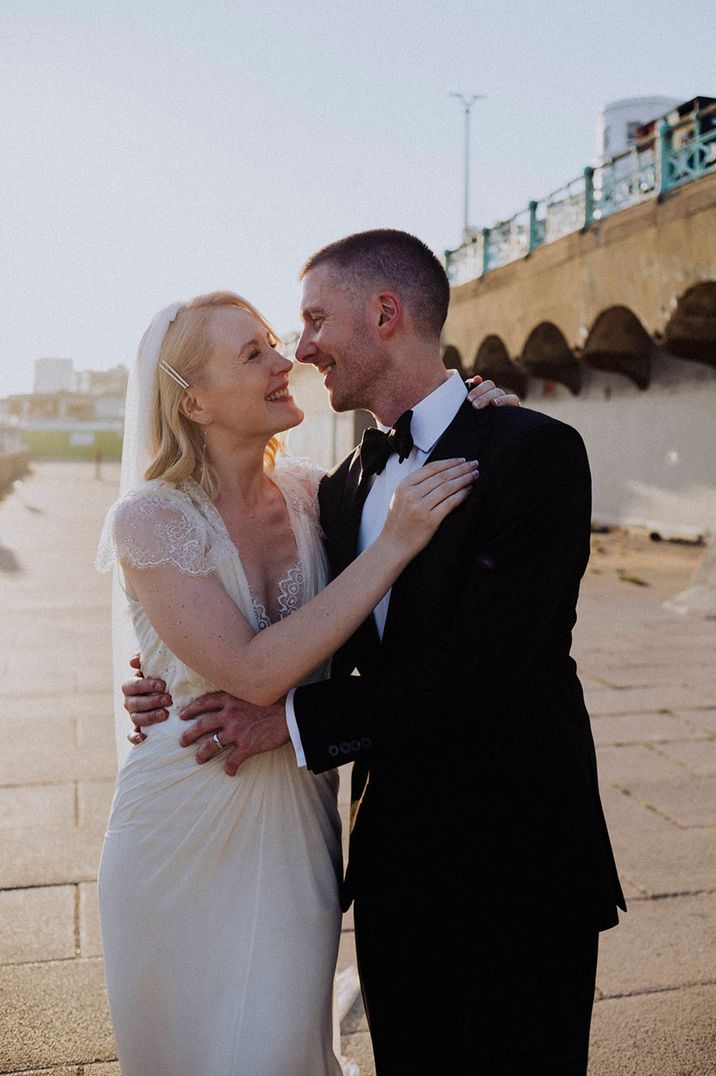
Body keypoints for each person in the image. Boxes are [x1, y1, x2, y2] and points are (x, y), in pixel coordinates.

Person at [126, 230, 626, 1074]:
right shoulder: (341, 488)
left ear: (385, 313)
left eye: (315, 320)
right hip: (391, 878)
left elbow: (485, 667)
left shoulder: (534, 452)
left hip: (522, 865)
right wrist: (164, 673)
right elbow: (269, 616)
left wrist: (288, 721)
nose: (301, 347)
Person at [96, 288, 509, 1076]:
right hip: (179, 822)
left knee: (279, 1049)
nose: (287, 361)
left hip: (293, 820)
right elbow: (252, 673)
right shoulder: (147, 518)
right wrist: (395, 546)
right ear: (195, 404)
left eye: (274, 342)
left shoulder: (321, 496)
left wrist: (480, 409)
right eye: (253, 355)